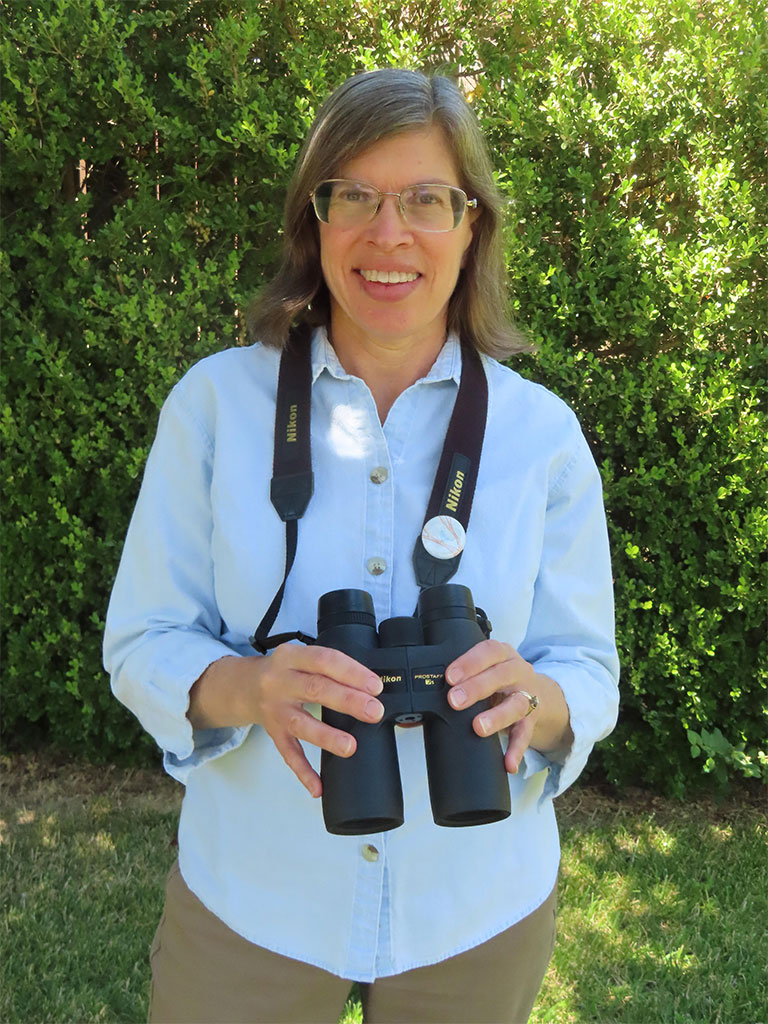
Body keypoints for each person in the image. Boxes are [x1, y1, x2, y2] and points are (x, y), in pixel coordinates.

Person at [104, 68, 619, 1024]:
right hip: (255, 896)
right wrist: (254, 688)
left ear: (472, 228)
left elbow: (586, 670)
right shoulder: (217, 406)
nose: (390, 235)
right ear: (316, 221)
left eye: (427, 199)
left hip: (475, 903)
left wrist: (531, 698)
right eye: (356, 198)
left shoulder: (541, 436)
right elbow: (144, 640)